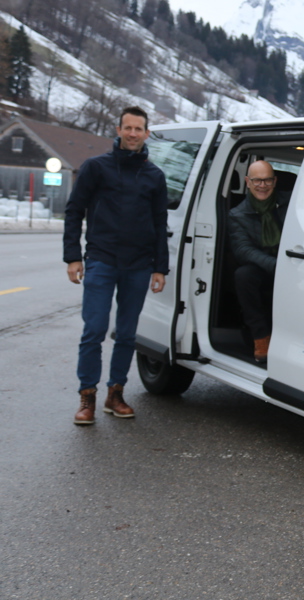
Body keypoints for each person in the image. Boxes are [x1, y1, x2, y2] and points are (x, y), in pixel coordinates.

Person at [63, 106, 169, 425]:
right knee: (94, 330)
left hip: (138, 266)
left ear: (147, 133)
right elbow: (74, 211)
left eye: (139, 129)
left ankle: (115, 393)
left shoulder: (154, 176)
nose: (133, 134)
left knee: (126, 334)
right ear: (119, 129)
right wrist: (73, 257)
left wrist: (159, 268)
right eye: (128, 128)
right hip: (101, 260)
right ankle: (87, 397)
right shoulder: (96, 168)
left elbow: (159, 222)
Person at [228, 160, 289, 363]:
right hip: (265, 268)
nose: (262, 185)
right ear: (247, 182)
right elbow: (243, 250)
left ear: (275, 181)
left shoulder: (290, 204)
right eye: (257, 181)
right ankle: (261, 338)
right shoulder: (237, 214)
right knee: (243, 275)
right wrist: (276, 265)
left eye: (267, 180)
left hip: (292, 262)